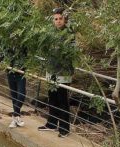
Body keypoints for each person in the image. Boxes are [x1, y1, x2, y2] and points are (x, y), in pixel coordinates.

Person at [37, 7, 76, 138]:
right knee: (52, 98)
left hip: (63, 73)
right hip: (51, 71)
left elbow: (71, 53)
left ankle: (64, 128)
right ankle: (52, 123)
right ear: (53, 20)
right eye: (56, 19)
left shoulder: (69, 34)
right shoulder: (50, 34)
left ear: (65, 19)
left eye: (60, 19)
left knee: (63, 100)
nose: (58, 21)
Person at [0, 46, 28, 129]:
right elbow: (3, 52)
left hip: (21, 73)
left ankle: (15, 115)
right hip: (10, 72)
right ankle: (16, 118)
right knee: (14, 96)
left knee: (21, 96)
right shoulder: (9, 43)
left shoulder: (24, 44)